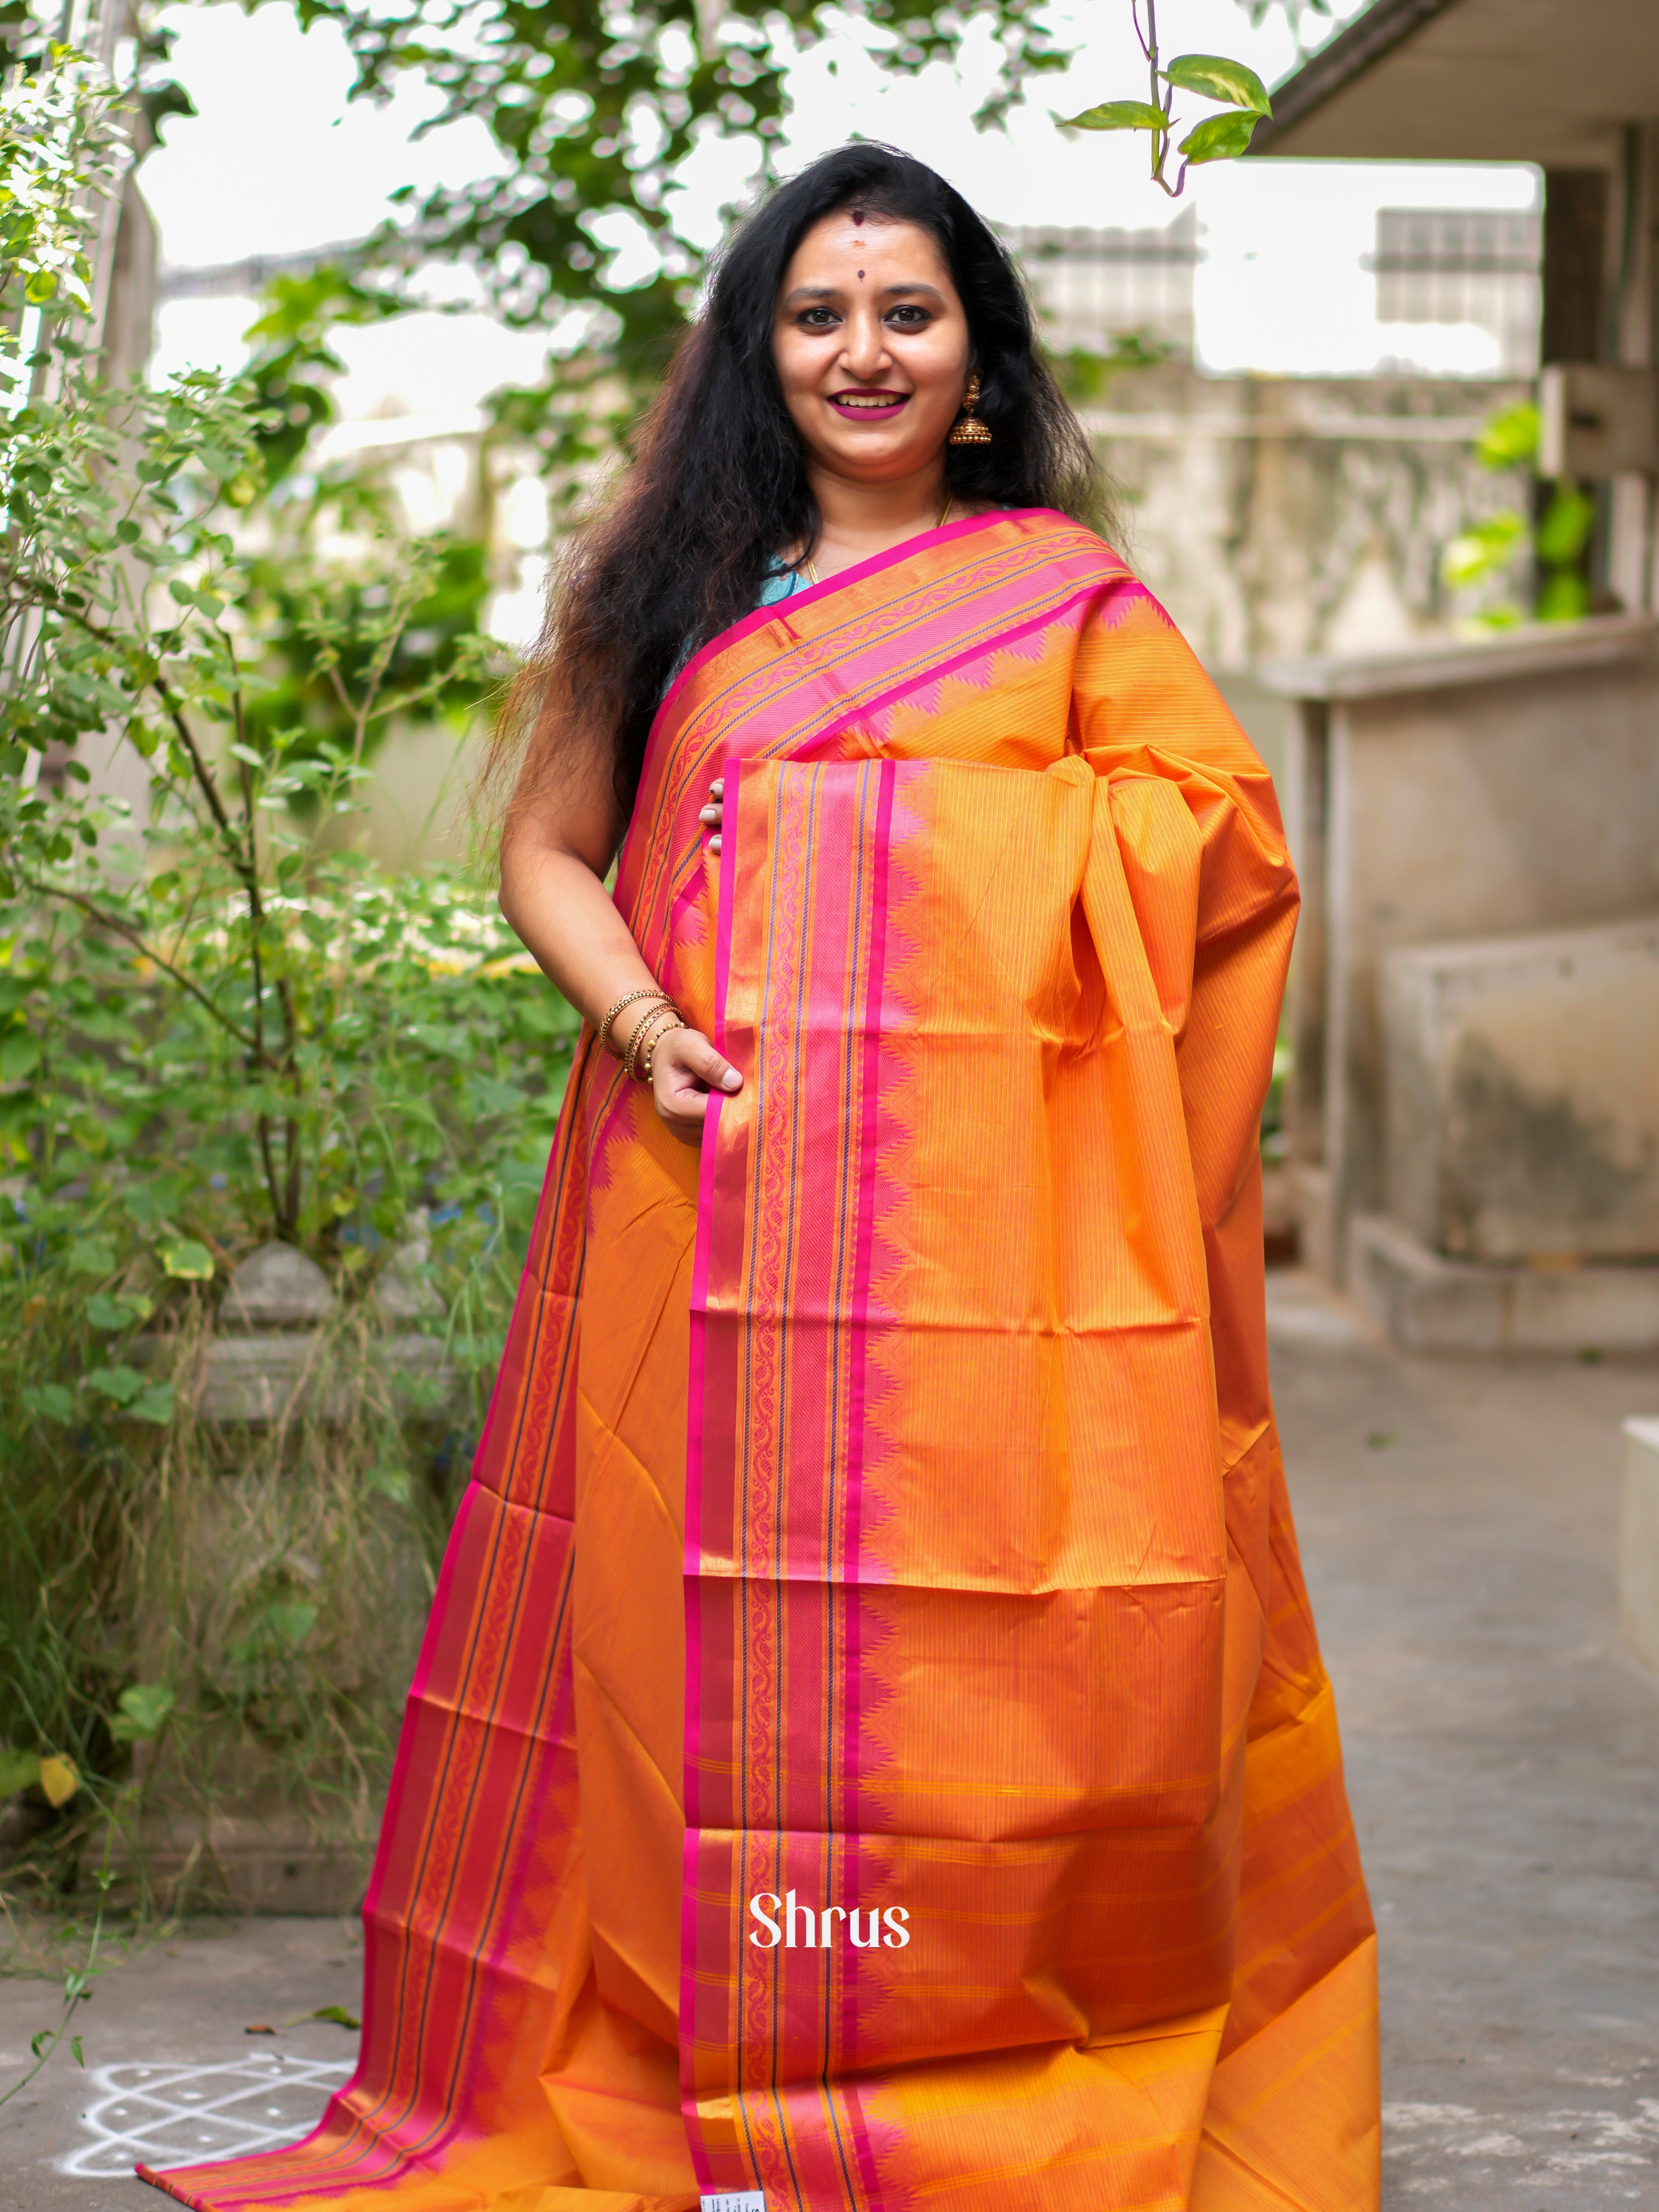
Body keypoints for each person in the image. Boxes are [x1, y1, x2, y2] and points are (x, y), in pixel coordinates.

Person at [144, 143, 1379, 2212]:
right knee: (671, 1631)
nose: (863, 351)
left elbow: (1216, 853)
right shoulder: (674, 588)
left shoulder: (1066, 602)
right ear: (758, 347)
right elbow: (547, 847)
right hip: (693, 1190)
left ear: (975, 358)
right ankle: (701, 2058)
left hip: (990, 1252)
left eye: (909, 313)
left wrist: (901, 863)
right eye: (819, 314)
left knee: (986, 1649)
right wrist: (645, 1022)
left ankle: (940, 2058)